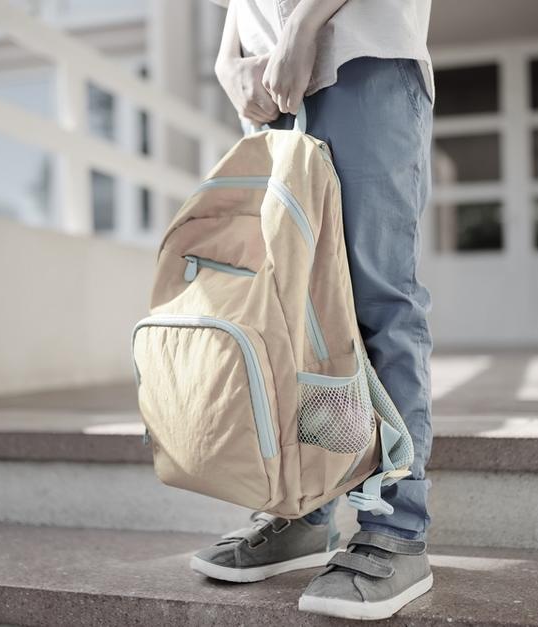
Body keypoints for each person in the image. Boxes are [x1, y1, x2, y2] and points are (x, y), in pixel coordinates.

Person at [192, 0, 436, 620]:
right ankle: (306, 507)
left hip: (361, 55)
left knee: (378, 300)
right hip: (271, 84)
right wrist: (228, 60)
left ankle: (395, 528)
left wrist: (303, 25)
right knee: (297, 314)